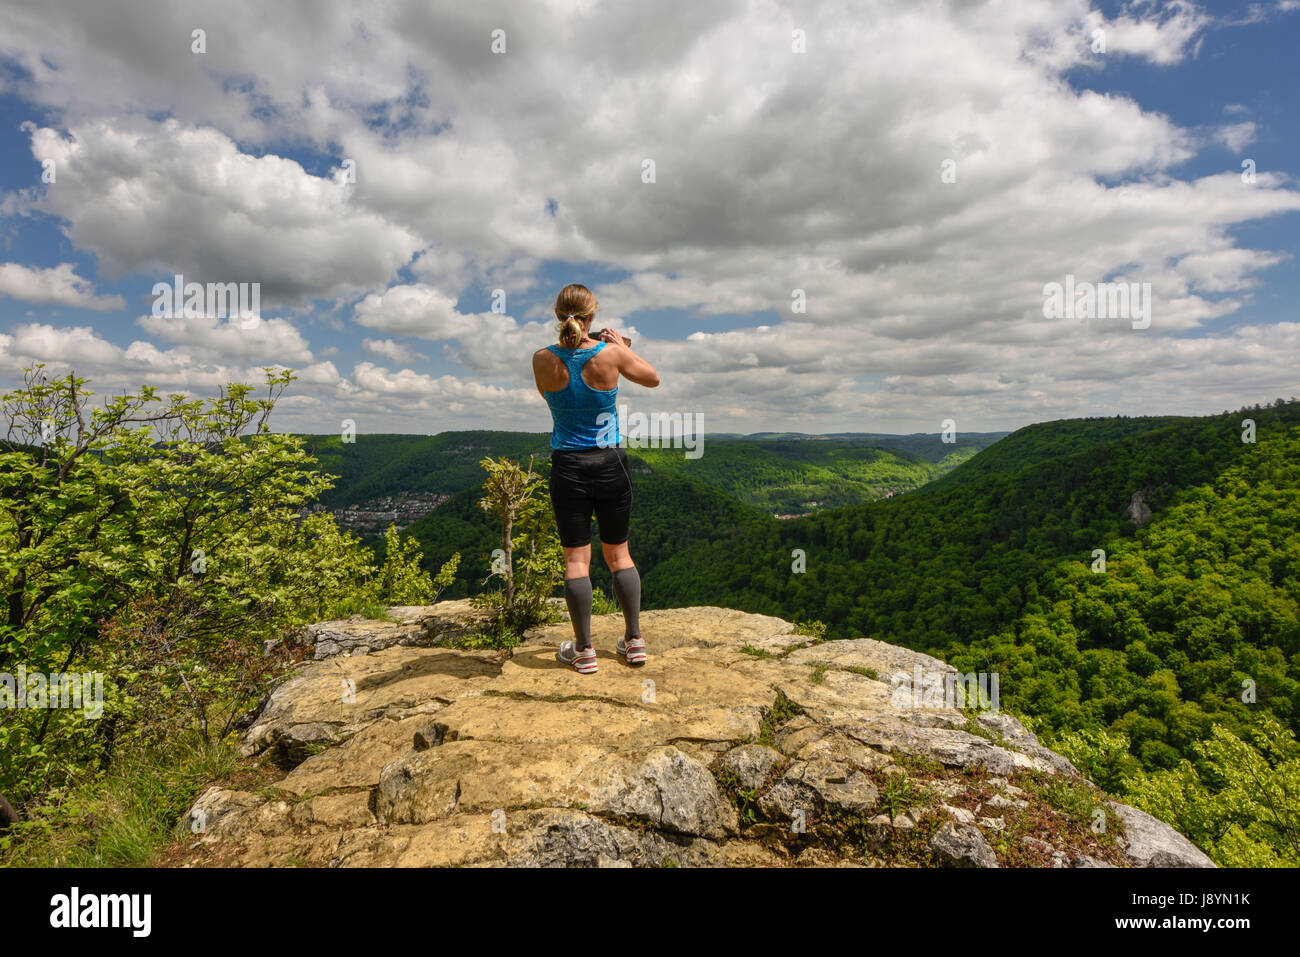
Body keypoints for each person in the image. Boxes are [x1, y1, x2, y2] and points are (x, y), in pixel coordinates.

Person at [532, 283, 660, 674]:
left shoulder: (541, 359)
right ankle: (633, 641)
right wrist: (622, 346)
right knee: (619, 553)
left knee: (576, 559)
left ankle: (584, 650)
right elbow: (652, 378)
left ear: (558, 315)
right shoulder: (612, 354)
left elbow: (553, 398)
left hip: (568, 466)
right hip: (610, 463)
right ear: (592, 316)